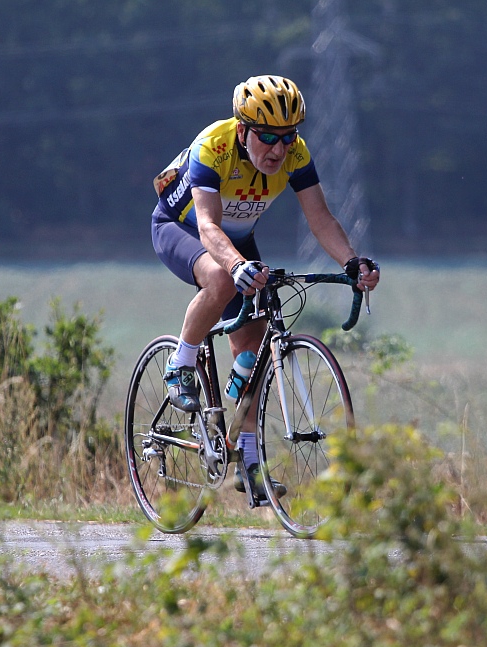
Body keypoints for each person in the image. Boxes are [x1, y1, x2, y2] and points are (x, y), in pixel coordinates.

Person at [151, 74, 380, 501]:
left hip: (237, 241)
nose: (279, 148)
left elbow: (320, 218)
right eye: (268, 137)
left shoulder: (296, 155)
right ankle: (180, 364)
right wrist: (236, 265)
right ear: (243, 131)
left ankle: (249, 464)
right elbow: (207, 225)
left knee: (253, 354)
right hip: (181, 229)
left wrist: (352, 262)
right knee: (221, 278)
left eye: (288, 136)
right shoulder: (214, 147)